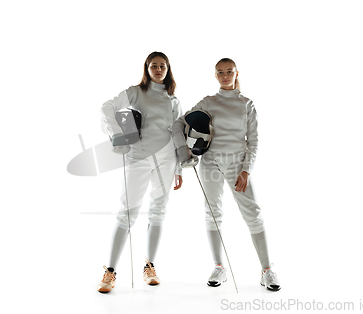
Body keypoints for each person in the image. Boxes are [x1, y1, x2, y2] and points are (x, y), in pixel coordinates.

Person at [171, 58, 280, 291]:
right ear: (215, 76)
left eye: (229, 71)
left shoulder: (247, 104)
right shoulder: (209, 102)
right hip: (210, 163)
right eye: (220, 72)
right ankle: (219, 266)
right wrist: (185, 149)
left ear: (236, 73)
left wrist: (246, 170)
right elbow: (179, 124)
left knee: (253, 213)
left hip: (237, 164)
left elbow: (254, 141)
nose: (225, 75)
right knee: (213, 212)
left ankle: (267, 270)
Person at [98, 52, 183, 293]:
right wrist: (117, 135)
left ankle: (150, 267)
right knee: (127, 212)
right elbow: (107, 107)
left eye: (162, 66)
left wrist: (178, 168)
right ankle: (110, 272)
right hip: (138, 158)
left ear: (168, 69)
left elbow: (178, 131)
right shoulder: (136, 92)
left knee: (158, 211)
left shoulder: (173, 99)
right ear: (146, 68)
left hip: (166, 160)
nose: (158, 69)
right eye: (153, 66)